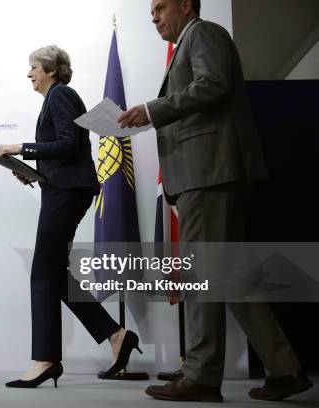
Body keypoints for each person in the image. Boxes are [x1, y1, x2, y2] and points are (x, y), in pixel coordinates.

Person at [119, 0, 313, 402]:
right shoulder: (191, 39)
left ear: (186, 5)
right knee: (233, 278)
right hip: (207, 174)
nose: (153, 16)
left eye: (160, 7)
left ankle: (202, 376)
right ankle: (286, 370)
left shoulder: (203, 32)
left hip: (208, 174)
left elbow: (212, 84)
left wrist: (153, 110)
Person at [0, 45, 142, 389]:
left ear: (50, 69)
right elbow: (64, 149)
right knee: (55, 274)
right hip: (62, 188)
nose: (29, 73)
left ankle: (45, 359)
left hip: (67, 191)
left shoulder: (61, 94)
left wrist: (22, 149)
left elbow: (68, 144)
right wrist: (32, 170)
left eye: (33, 67)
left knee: (42, 272)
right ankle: (117, 335)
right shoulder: (56, 98)